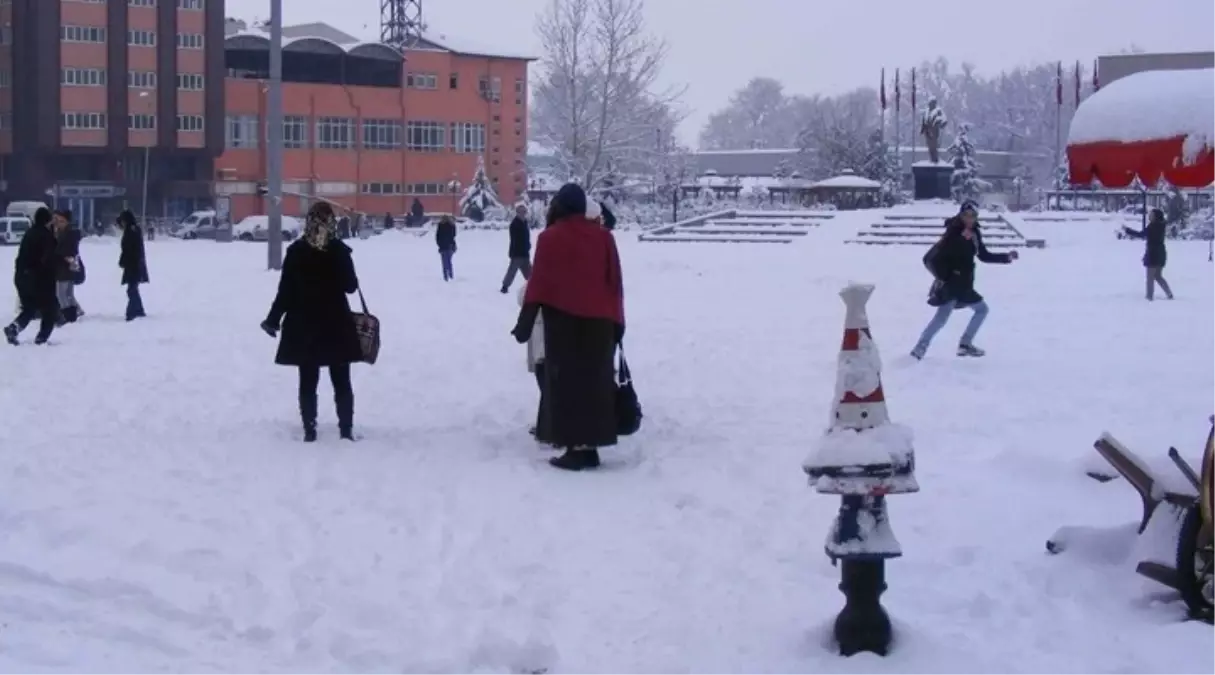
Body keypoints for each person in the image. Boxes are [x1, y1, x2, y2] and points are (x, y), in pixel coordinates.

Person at [512, 183, 625, 471]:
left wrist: (525, 322)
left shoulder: (551, 238)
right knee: (596, 383)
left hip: (564, 322)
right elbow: (615, 282)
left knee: (568, 384)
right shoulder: (604, 238)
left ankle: (575, 449)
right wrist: (619, 322)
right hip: (601, 323)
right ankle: (592, 447)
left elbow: (540, 284)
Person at [260, 202, 362, 442]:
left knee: (308, 379)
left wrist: (273, 320)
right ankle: (345, 431)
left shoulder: (296, 251)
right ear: (331, 222)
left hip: (303, 323)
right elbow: (350, 287)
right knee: (341, 380)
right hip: (335, 322)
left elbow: (285, 291)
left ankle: (310, 430)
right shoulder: (338, 250)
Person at [911, 201, 1017, 360]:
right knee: (941, 318)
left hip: (966, 284)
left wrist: (1006, 257)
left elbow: (983, 255)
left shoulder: (974, 232)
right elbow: (942, 254)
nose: (969, 219)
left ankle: (965, 345)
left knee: (981, 310)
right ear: (961, 215)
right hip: (952, 283)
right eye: (966, 215)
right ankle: (920, 348)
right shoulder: (953, 231)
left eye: (972, 215)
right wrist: (960, 240)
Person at [4, 207, 59, 345]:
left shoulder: (29, 233)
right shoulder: (46, 236)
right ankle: (42, 338)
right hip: (40, 279)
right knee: (49, 310)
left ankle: (14, 327)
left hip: (22, 277)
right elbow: (48, 260)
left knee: (29, 308)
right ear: (47, 220)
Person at [517, 280, 551, 445]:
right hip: (552, 338)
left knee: (547, 386)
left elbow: (523, 297)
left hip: (544, 341)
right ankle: (546, 428)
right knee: (549, 386)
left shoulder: (541, 280)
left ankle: (549, 430)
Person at [1123, 208, 1173, 301]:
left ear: (1156, 217)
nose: (1149, 216)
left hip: (1153, 253)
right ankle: (1169, 294)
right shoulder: (1161, 225)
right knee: (1158, 276)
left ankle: (1149, 297)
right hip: (1161, 252)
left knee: (1150, 276)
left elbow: (1141, 234)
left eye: (1151, 215)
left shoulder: (1153, 226)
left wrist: (1127, 230)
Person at [52, 210, 83, 324]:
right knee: (68, 293)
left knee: (61, 294)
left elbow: (66, 250)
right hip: (65, 266)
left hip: (64, 267)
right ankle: (74, 312)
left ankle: (67, 316)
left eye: (61, 221)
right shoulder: (62, 232)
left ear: (67, 222)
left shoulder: (68, 234)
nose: (58, 223)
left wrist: (60, 254)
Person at [118, 210, 149, 321]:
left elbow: (130, 249)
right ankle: (138, 310)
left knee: (132, 289)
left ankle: (132, 311)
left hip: (133, 264)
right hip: (133, 264)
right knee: (133, 288)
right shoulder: (133, 230)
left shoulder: (132, 231)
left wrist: (124, 260)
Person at [500, 204, 532, 293]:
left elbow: (526, 237)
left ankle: (534, 286)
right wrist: (513, 252)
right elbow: (515, 240)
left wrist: (528, 245)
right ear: (517, 213)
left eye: (524, 212)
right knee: (512, 271)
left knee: (529, 272)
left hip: (525, 253)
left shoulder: (525, 223)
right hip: (517, 253)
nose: (523, 214)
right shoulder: (515, 224)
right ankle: (505, 287)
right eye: (521, 212)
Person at [435, 215, 457, 281]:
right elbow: (453, 235)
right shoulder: (451, 225)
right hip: (450, 246)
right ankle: (450, 275)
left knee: (444, 262)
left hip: (443, 246)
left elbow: (437, 236)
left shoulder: (440, 226)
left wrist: (439, 244)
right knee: (448, 261)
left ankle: (446, 276)